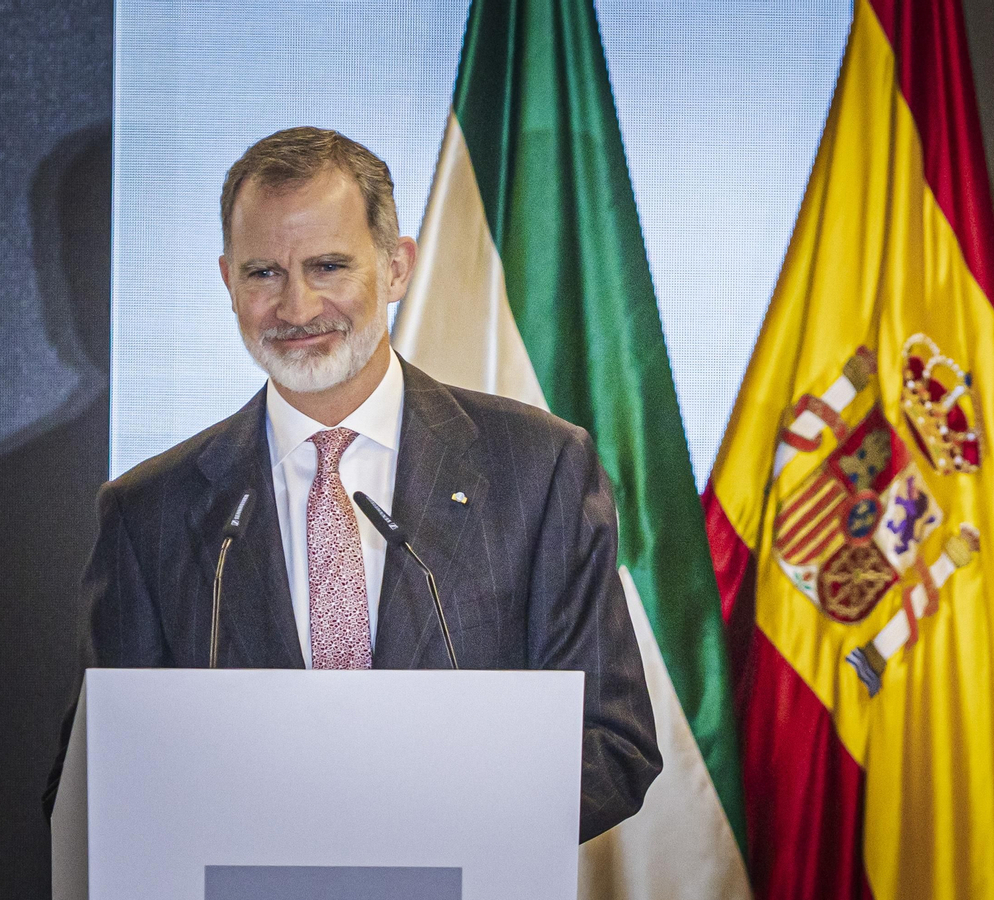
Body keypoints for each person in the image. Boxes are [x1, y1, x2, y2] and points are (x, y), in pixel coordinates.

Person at [50, 126, 660, 842]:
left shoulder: (540, 469)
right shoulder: (148, 511)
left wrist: (397, 830)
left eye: (329, 266)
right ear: (226, 280)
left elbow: (612, 745)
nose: (298, 308)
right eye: (263, 273)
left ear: (397, 269)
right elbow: (99, 777)